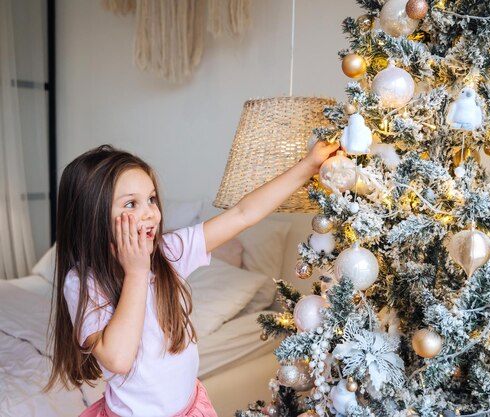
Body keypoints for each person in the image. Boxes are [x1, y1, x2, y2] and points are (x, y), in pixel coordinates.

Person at [45, 140, 339, 417]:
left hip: (190, 407)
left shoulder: (169, 253)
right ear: (93, 215)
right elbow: (118, 359)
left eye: (151, 199)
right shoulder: (84, 282)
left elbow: (242, 213)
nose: (150, 214)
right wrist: (136, 271)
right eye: (131, 204)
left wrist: (308, 166)